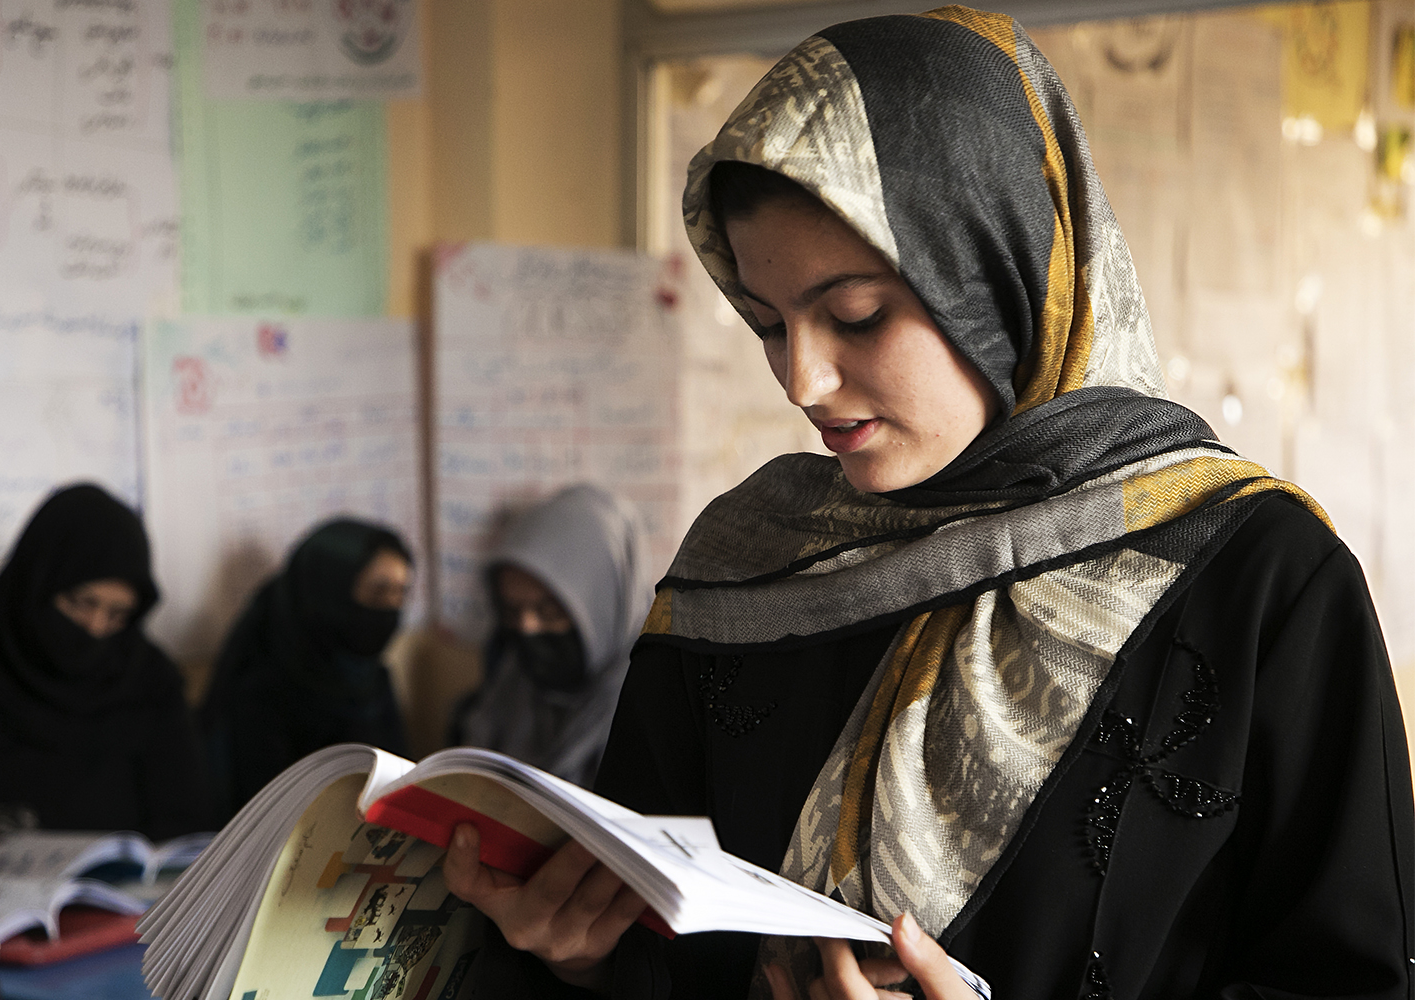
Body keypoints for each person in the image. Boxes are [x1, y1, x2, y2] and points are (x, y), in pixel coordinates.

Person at [441, 8, 1415, 1000]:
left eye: (856, 314)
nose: (803, 380)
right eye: (770, 325)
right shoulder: (743, 569)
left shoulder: (1257, 577)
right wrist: (584, 957)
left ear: (995, 273)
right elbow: (669, 943)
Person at [0, 484, 212, 840]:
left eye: (118, 614)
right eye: (82, 603)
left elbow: (186, 821)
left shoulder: (147, 680)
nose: (96, 627)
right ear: (36, 582)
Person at [198, 518, 413, 818]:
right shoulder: (261, 691)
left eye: (400, 593)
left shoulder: (372, 680)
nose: (391, 608)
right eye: (378, 592)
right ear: (328, 591)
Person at [453, 484, 653, 788]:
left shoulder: (657, 704)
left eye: (550, 612)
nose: (527, 628)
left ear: (604, 606)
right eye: (511, 611)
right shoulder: (512, 683)